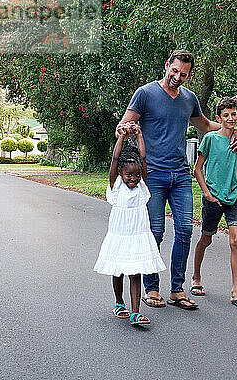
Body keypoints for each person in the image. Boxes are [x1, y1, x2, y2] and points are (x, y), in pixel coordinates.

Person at [116, 50, 237, 310]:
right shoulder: (146, 93)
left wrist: (233, 129)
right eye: (174, 71)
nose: (177, 77)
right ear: (167, 66)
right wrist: (124, 129)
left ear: (189, 75)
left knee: (185, 230)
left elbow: (206, 126)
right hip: (152, 175)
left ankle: (176, 289)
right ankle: (151, 288)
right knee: (156, 232)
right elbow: (124, 124)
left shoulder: (189, 99)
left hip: (181, 174)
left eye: (183, 74)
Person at [94, 122, 166, 325]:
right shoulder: (115, 185)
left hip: (137, 234)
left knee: (135, 272)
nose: (133, 178)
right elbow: (116, 158)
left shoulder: (142, 185)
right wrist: (122, 138)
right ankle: (119, 303)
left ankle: (135, 312)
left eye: (136, 175)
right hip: (120, 234)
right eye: (129, 175)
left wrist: (140, 135)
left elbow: (143, 158)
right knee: (118, 271)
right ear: (119, 173)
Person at [190, 97, 237, 310]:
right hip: (213, 198)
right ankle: (196, 276)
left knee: (236, 241)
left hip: (233, 196)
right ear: (219, 118)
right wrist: (207, 194)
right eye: (226, 115)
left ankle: (236, 291)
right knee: (206, 239)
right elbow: (197, 169)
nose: (230, 118)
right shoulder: (209, 139)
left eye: (234, 114)